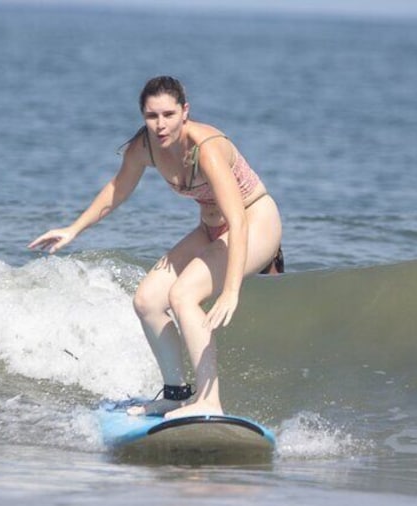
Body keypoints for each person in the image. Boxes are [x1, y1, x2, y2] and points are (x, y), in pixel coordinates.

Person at [28, 76, 282, 419]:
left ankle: (210, 401)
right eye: (152, 116)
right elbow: (117, 190)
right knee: (147, 300)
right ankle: (176, 393)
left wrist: (231, 290)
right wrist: (73, 229)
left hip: (256, 224)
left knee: (183, 294)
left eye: (168, 114)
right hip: (210, 229)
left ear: (184, 112)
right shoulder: (144, 147)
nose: (160, 124)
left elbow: (237, 221)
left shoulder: (206, 148)